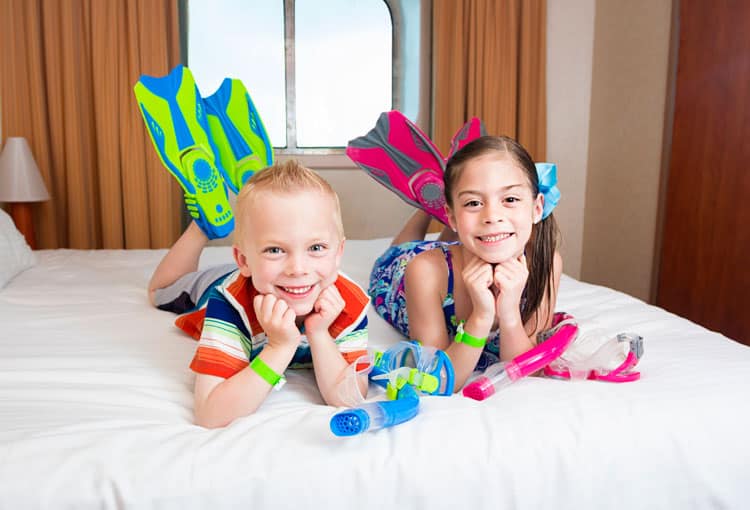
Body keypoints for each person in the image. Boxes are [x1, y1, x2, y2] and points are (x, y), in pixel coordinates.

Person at [149, 160, 369, 428]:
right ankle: (201, 226)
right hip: (219, 283)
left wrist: (320, 334)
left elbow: (348, 399)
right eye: (275, 250)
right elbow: (211, 415)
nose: (298, 269)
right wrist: (279, 347)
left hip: (264, 277)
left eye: (316, 247)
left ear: (338, 254)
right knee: (160, 291)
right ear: (243, 259)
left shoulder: (349, 303)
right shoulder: (229, 305)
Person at [367, 135, 562, 391]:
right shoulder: (423, 271)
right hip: (401, 274)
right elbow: (437, 380)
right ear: (452, 217)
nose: (492, 216)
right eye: (473, 203)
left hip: (462, 245)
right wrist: (481, 317)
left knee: (472, 236)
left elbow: (526, 370)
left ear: (537, 208)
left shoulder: (546, 263)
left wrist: (510, 314)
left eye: (510, 200)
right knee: (403, 250)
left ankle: (453, 216)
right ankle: (426, 209)